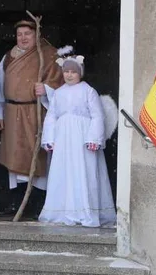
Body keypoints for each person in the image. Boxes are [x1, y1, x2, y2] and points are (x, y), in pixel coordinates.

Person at [0, 18, 64, 217]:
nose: (23, 38)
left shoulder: (48, 55)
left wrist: (47, 89)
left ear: (37, 35)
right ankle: (16, 202)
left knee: (36, 156)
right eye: (19, 34)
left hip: (35, 111)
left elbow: (63, 81)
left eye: (28, 34)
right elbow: (0, 85)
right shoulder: (9, 57)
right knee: (14, 156)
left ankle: (38, 203)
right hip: (12, 111)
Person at [40, 55, 116, 228]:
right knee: (64, 171)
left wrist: (94, 138)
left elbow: (97, 115)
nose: (69, 75)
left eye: (73, 72)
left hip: (82, 138)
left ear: (80, 73)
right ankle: (62, 211)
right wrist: (49, 138)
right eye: (66, 71)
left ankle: (84, 211)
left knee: (83, 170)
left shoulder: (88, 91)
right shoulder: (58, 93)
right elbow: (51, 116)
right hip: (63, 139)